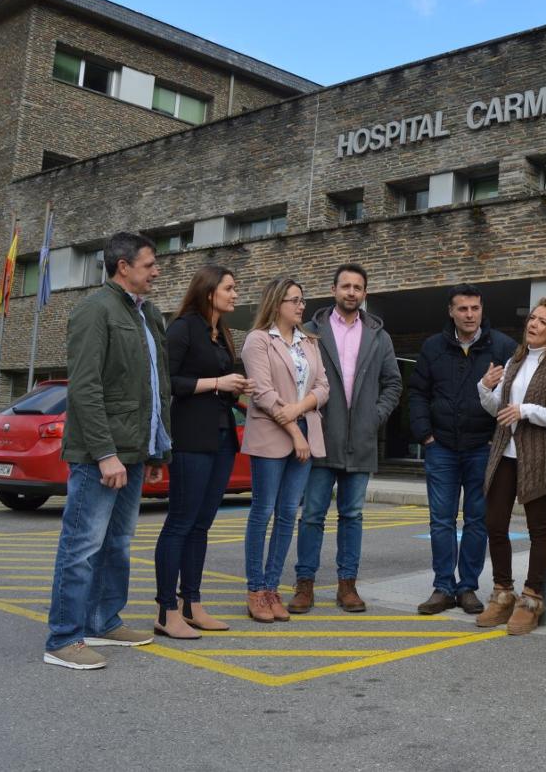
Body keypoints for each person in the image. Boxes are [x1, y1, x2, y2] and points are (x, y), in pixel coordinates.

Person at [44, 232, 171, 670]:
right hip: (101, 455)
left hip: (133, 452)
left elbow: (154, 388)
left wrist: (153, 450)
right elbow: (85, 389)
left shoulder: (147, 314)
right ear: (123, 266)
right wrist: (105, 453)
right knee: (82, 546)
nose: (157, 270)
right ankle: (63, 637)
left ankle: (104, 620)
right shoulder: (94, 310)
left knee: (117, 543)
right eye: (150, 263)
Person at [290, 264, 401, 614]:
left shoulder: (380, 337)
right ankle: (304, 585)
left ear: (365, 293)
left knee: (352, 516)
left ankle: (347, 585)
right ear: (334, 290)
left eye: (358, 287)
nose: (351, 292)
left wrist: (375, 417)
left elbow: (393, 384)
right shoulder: (310, 331)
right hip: (321, 436)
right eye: (345, 286)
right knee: (312, 516)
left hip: (361, 440)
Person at [152, 264, 254, 638]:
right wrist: (216, 382)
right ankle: (166, 610)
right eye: (229, 288)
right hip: (190, 439)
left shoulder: (220, 333)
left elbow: (219, 386)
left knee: (201, 524)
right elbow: (168, 382)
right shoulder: (183, 328)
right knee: (180, 522)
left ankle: (191, 604)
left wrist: (238, 386)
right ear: (210, 291)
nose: (235, 294)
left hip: (221, 438)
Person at [408, 284, 517, 615]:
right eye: (463, 309)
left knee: (477, 520)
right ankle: (443, 587)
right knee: (441, 520)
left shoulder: (503, 346)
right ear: (451, 312)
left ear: (482, 309)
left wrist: (496, 437)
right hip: (440, 447)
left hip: (482, 448)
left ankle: (467, 586)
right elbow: (417, 393)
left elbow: (515, 395)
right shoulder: (432, 347)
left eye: (475, 308)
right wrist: (424, 434)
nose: (470, 315)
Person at [475, 298, 546, 635]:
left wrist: (526, 410)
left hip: (538, 456)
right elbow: (500, 411)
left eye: (542, 321)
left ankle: (532, 598)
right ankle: (502, 592)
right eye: (531, 318)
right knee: (494, 522)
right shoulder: (514, 361)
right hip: (504, 452)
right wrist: (484, 389)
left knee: (539, 530)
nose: (532, 324)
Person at [240, 277, 330, 623]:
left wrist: (299, 408)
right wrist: (295, 429)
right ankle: (256, 589)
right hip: (274, 435)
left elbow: (323, 386)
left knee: (287, 514)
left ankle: (273, 588)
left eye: (302, 300)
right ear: (277, 304)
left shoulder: (309, 342)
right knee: (263, 512)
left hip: (304, 429)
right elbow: (261, 394)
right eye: (294, 300)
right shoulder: (258, 340)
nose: (301, 306)